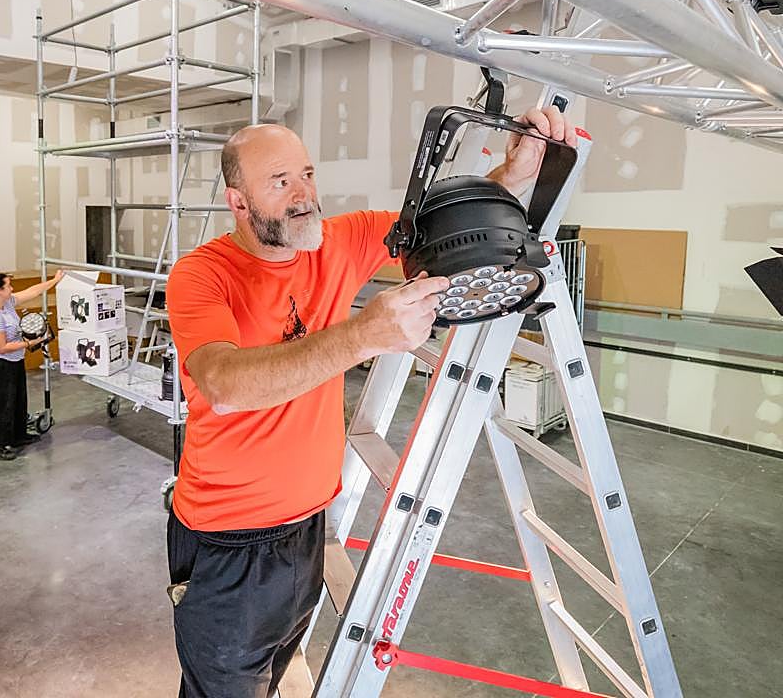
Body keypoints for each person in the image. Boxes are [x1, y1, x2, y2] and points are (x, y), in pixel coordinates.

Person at [164, 105, 577, 696]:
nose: (305, 195)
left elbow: (438, 225)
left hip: (307, 527)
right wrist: (361, 336)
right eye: (281, 183)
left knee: (272, 673)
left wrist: (517, 170)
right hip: (230, 545)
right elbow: (224, 385)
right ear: (238, 202)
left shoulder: (337, 241)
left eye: (306, 174)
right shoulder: (203, 275)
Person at [0, 270, 63, 461]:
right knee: (0, 405)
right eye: (8, 286)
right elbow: (2, 347)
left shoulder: (7, 303)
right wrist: (30, 343)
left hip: (14, 361)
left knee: (17, 400)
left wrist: (55, 281)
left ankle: (17, 436)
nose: (12, 289)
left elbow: (32, 291)